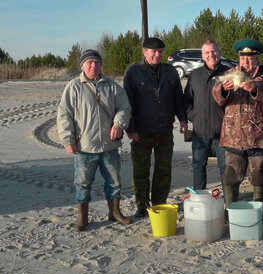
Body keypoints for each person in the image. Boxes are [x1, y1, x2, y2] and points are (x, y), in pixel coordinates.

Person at [57, 49, 132, 231]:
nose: (93, 65)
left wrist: (118, 124)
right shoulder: (73, 87)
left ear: (101, 65)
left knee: (114, 182)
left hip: (109, 146)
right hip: (84, 147)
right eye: (89, 62)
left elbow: (125, 107)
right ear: (82, 65)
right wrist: (68, 139)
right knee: (82, 184)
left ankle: (114, 212)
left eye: (97, 62)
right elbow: (64, 114)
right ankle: (83, 217)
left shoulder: (112, 86)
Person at [212, 39, 263, 210]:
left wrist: (256, 88)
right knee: (230, 175)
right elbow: (216, 97)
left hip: (260, 136)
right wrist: (223, 90)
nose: (246, 61)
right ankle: (231, 209)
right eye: (243, 57)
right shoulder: (230, 73)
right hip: (233, 135)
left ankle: (258, 210)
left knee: (258, 175)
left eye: (250, 57)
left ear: (257, 57)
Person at [123, 37, 187, 217]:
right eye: (153, 51)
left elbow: (177, 98)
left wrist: (182, 119)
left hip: (164, 130)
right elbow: (127, 102)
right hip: (141, 131)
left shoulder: (170, 71)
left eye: (160, 51)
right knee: (140, 169)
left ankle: (159, 202)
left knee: (164, 168)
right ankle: (141, 204)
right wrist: (131, 128)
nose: (157, 55)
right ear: (144, 52)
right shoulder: (133, 72)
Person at [183, 40, 228, 190]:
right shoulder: (195, 75)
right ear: (202, 56)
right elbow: (187, 100)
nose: (211, 55)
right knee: (198, 167)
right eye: (207, 53)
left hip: (223, 132)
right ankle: (200, 200)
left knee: (226, 168)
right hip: (200, 131)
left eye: (214, 51)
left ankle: (229, 204)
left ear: (219, 53)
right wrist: (193, 116)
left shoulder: (228, 73)